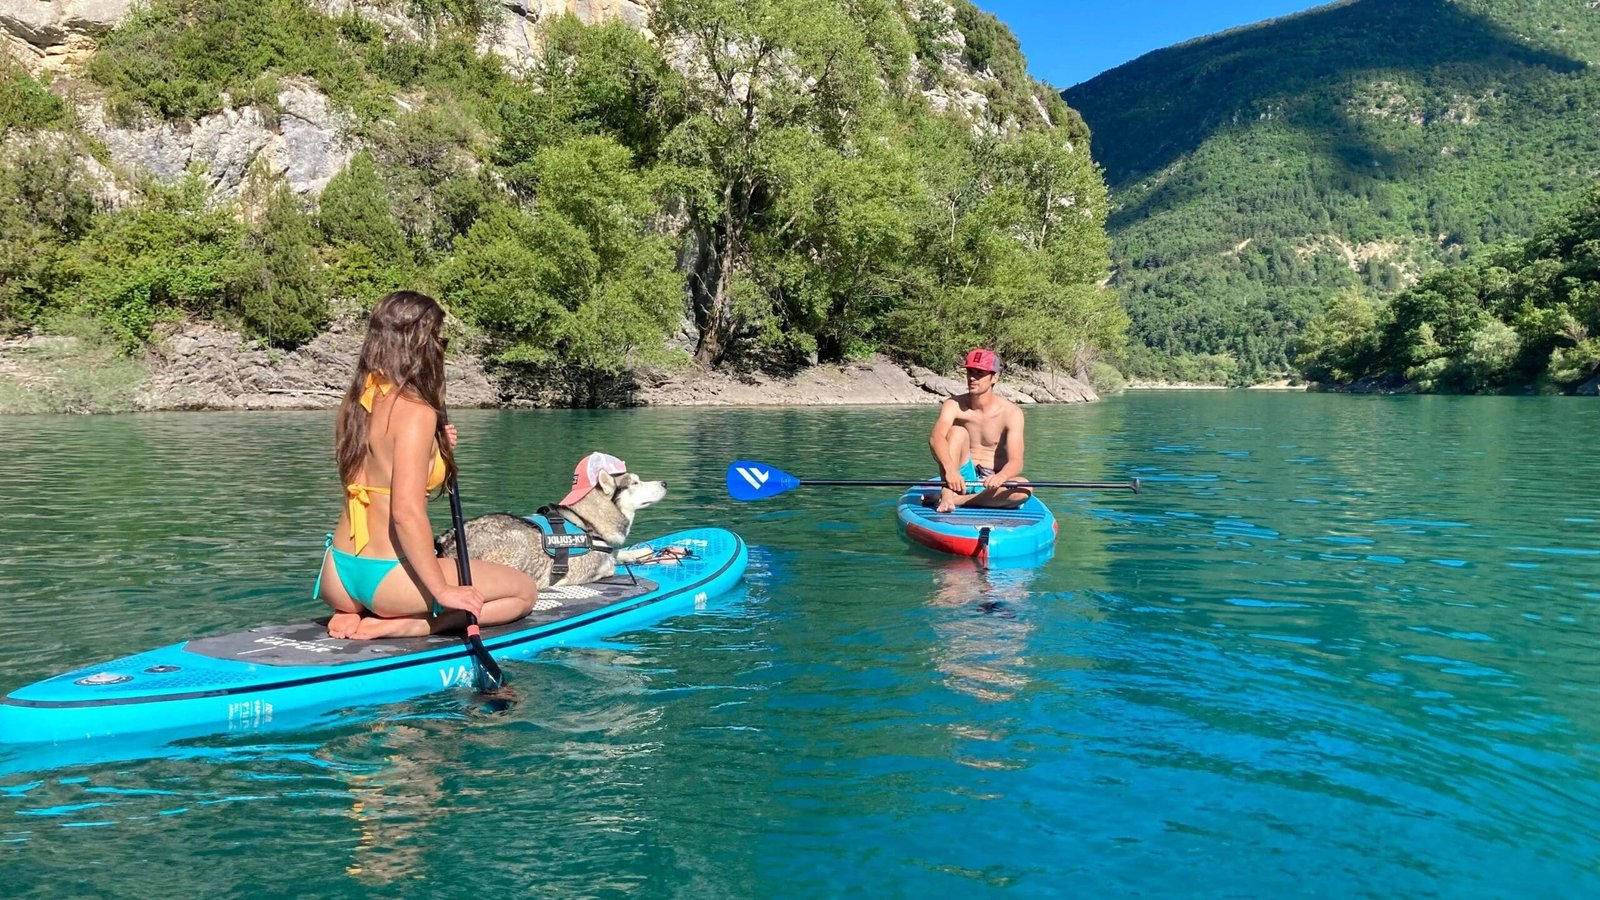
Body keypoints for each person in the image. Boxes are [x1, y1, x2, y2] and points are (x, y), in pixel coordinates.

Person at [314, 290, 539, 640]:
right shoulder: (416, 413)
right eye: (438, 338)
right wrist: (442, 591)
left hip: (338, 574)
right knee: (523, 591)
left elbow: (377, 476)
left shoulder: (357, 402)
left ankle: (352, 610)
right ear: (420, 342)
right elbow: (404, 511)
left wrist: (435, 450)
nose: (440, 347)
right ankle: (412, 624)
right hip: (388, 579)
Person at [928, 348, 1032, 514]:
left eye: (980, 373)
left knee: (1024, 488)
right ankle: (948, 491)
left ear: (994, 377)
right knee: (956, 432)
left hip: (991, 482)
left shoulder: (1011, 413)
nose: (973, 378)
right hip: (961, 476)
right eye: (970, 372)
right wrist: (951, 470)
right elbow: (936, 438)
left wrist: (1002, 477)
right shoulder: (953, 405)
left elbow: (1016, 461)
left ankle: (954, 499)